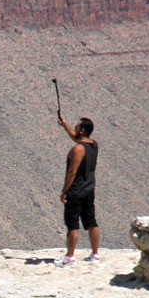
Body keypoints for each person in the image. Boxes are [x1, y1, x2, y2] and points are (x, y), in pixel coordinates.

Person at [55, 114, 99, 266]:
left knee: (72, 224)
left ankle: (69, 257)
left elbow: (71, 172)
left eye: (77, 126)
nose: (75, 127)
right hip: (89, 190)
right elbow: (77, 138)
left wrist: (64, 191)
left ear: (82, 130)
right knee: (91, 222)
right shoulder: (93, 145)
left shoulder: (78, 149)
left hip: (76, 192)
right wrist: (64, 125)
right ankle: (95, 254)